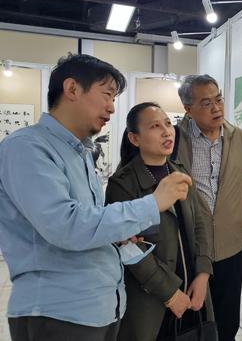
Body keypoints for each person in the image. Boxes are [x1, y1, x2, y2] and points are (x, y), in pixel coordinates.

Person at [0, 54, 192, 341]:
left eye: (114, 98)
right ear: (72, 89)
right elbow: (66, 225)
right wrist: (153, 203)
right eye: (107, 95)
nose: (112, 107)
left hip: (100, 310)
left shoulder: (81, 154)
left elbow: (88, 224)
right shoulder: (27, 147)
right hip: (60, 314)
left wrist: (117, 235)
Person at [105, 102, 214, 341]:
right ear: (134, 139)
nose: (166, 132)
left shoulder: (179, 172)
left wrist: (203, 273)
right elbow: (128, 246)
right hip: (151, 300)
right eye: (155, 126)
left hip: (193, 289)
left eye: (167, 124)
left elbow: (201, 224)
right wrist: (170, 294)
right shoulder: (123, 184)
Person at [175, 74, 242, 341]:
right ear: (188, 109)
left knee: (227, 321)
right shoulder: (175, 139)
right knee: (191, 322)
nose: (216, 108)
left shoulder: (238, 138)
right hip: (189, 248)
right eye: (206, 103)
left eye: (218, 100)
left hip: (229, 247)